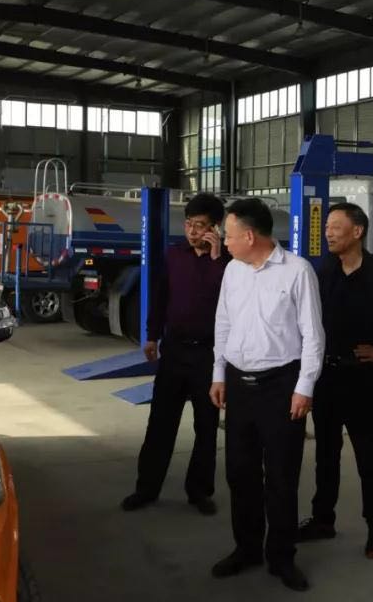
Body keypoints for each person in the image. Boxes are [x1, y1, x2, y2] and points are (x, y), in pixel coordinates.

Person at [209, 198, 325, 592]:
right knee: (240, 473)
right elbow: (223, 323)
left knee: (281, 476)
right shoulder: (232, 271)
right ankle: (246, 549)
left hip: (281, 387)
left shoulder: (297, 271)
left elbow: (313, 335)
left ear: (249, 236)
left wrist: (304, 387)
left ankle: (281, 556)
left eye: (228, 235)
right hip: (239, 386)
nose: (224, 241)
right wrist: (219, 373)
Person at [297, 203, 373, 558]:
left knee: (368, 456)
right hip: (326, 376)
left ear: (358, 231)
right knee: (325, 454)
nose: (328, 232)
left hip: (362, 379)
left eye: (336, 226)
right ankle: (323, 519)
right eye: (327, 226)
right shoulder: (321, 271)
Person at [122, 193, 228, 515]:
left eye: (201, 225)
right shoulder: (175, 255)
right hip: (174, 352)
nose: (193, 231)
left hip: (208, 356)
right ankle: (146, 488)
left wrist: (216, 258)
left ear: (215, 228)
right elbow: (161, 297)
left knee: (206, 427)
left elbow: (223, 296)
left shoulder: (228, 264)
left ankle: (199, 492)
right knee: (160, 423)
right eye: (189, 224)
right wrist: (152, 335)